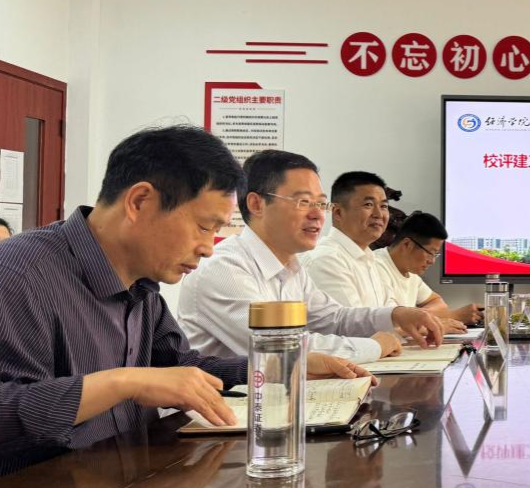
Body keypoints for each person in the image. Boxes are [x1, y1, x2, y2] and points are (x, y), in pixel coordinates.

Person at [0, 126, 366, 482]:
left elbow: (180, 366)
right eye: (204, 227)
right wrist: (124, 382)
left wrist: (280, 368)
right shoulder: (18, 275)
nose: (208, 248)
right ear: (140, 202)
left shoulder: (141, 283)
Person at [178, 149, 443, 363]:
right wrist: (374, 346)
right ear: (257, 204)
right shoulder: (223, 268)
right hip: (224, 410)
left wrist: (395, 315)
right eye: (304, 202)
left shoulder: (291, 267)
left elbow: (333, 319)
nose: (317, 214)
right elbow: (279, 346)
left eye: (320, 203)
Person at [303, 170, 395, 308]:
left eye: (384, 206)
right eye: (368, 204)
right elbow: (352, 320)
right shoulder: (326, 260)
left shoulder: (372, 259)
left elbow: (392, 310)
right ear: (338, 212)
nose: (379, 214)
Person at [375, 211, 481, 326]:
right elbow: (390, 326)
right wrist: (453, 316)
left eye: (436, 254)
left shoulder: (410, 272)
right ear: (407, 244)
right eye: (430, 253)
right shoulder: (375, 268)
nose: (432, 261)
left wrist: (420, 317)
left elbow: (439, 303)